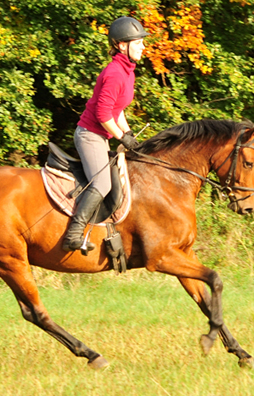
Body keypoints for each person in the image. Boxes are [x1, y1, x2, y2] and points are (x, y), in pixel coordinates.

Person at [62, 16, 149, 252]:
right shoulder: (115, 73)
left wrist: (128, 131)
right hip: (90, 135)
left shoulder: (127, 72)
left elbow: (116, 110)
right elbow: (102, 115)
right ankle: (73, 234)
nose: (143, 46)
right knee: (102, 184)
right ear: (122, 45)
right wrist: (121, 137)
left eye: (143, 42)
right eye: (138, 42)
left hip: (102, 135)